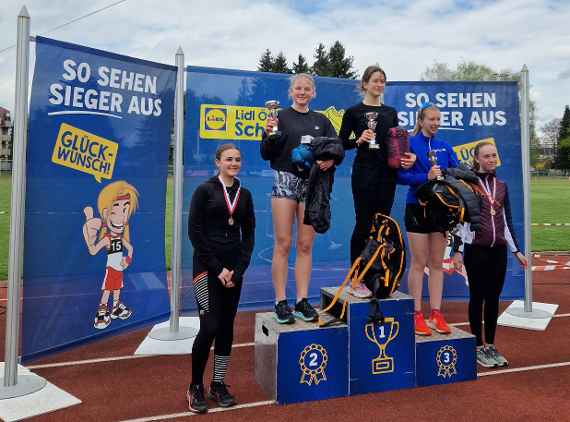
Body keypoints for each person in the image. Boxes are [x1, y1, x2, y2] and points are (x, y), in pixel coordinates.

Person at [260, 73, 337, 324]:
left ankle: (302, 300)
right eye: (298, 88)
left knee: (305, 245)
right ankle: (280, 301)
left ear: (313, 93)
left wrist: (330, 160)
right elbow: (266, 153)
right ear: (291, 92)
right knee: (283, 243)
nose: (302, 92)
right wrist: (268, 135)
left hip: (312, 184)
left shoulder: (321, 120)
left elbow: (336, 149)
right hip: (285, 180)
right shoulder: (278, 117)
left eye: (306, 89)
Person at [186, 143, 255, 414]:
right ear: (217, 162)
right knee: (210, 326)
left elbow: (248, 236)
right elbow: (195, 233)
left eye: (237, 159)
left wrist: (237, 271)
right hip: (207, 269)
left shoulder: (245, 194)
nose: (233, 163)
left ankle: (218, 383)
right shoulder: (204, 191)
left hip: (233, 270)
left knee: (226, 327)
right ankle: (195, 386)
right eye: (228, 159)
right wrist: (218, 269)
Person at [339, 65, 415, 298]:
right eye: (375, 80)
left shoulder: (390, 112)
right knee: (363, 224)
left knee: (382, 225)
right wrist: (359, 139)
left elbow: (396, 145)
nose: (379, 85)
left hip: (387, 175)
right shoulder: (353, 112)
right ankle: (356, 278)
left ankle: (376, 275)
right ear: (364, 84)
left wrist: (406, 157)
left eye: (382, 81)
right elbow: (341, 143)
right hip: (364, 173)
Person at [452, 141, 527, 367]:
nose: (491, 159)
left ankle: (491, 345)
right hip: (476, 250)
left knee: (493, 298)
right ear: (477, 159)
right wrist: (456, 251)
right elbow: (459, 221)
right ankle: (477, 346)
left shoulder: (501, 186)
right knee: (478, 297)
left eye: (494, 155)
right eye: (486, 156)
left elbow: (506, 221)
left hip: (498, 251)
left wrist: (517, 251)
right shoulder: (467, 185)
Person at [398, 103, 458, 336]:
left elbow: (455, 171)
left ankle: (436, 313)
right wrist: (426, 175)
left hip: (440, 210)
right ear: (421, 120)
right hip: (417, 208)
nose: (434, 123)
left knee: (436, 264)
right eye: (430, 119)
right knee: (418, 262)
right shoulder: (410, 143)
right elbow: (401, 177)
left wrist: (449, 175)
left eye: (437, 119)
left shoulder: (444, 146)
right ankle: (416, 314)